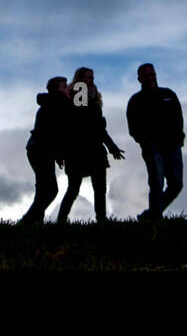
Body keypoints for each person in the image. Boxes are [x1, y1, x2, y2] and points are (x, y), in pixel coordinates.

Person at [58, 67, 124, 223]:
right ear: (79, 79)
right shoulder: (78, 97)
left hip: (94, 149)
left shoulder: (93, 98)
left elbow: (97, 127)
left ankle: (101, 219)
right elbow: (83, 122)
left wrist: (111, 146)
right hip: (78, 150)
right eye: (88, 77)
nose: (91, 80)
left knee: (99, 188)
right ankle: (61, 220)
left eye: (92, 78)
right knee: (74, 188)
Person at [126, 63, 184, 220]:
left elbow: (178, 118)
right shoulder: (136, 101)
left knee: (176, 184)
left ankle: (152, 214)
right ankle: (155, 218)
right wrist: (145, 141)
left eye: (152, 74)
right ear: (140, 79)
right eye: (146, 75)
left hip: (172, 145)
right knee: (157, 182)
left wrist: (179, 139)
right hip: (152, 147)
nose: (151, 78)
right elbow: (133, 127)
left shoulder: (168, 94)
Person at [20, 76, 72, 224]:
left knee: (43, 189)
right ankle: (27, 220)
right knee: (50, 190)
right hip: (40, 149)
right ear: (56, 90)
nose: (67, 89)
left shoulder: (51, 104)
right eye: (64, 87)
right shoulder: (56, 103)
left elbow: (55, 133)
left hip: (39, 149)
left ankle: (35, 222)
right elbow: (54, 133)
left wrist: (58, 155)